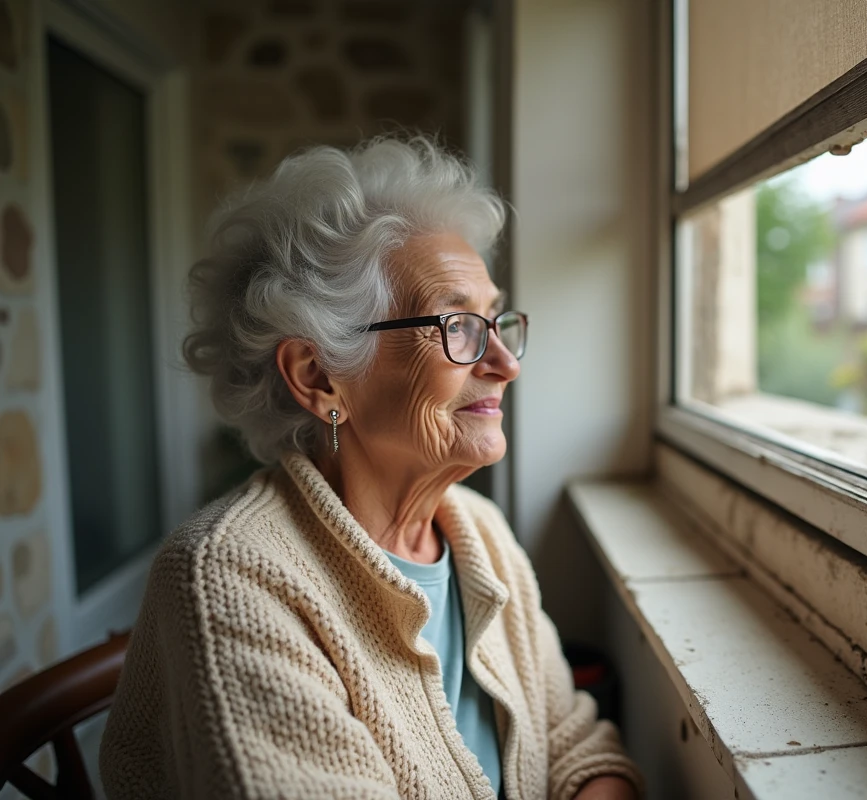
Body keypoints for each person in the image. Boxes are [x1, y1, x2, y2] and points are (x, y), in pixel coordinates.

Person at [99, 136, 641, 800]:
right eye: (457, 326)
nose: (506, 363)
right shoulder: (230, 579)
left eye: (495, 321)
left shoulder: (479, 533)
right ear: (318, 376)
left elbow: (577, 747)